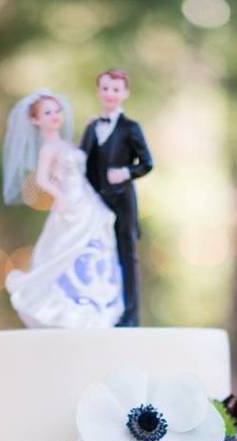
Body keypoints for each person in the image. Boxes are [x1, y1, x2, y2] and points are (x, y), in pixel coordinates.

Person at [2, 90, 124, 329]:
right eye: (48, 112)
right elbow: (42, 179)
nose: (55, 116)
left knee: (95, 246)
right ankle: (66, 309)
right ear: (36, 120)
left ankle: (94, 306)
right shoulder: (48, 149)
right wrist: (61, 197)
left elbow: (79, 159)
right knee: (64, 250)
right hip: (70, 203)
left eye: (57, 111)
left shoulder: (64, 144)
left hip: (86, 201)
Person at [80, 68, 153, 327]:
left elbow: (147, 163)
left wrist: (125, 172)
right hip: (94, 204)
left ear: (125, 94)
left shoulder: (131, 128)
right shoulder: (91, 128)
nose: (110, 94)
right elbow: (82, 163)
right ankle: (100, 309)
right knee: (97, 256)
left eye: (116, 89)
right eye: (105, 88)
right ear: (99, 91)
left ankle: (130, 316)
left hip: (122, 202)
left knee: (127, 256)